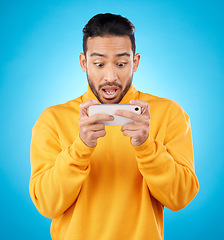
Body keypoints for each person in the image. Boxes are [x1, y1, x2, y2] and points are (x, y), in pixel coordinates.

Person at [29, 13, 199, 240]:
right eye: (99, 64)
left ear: (135, 62)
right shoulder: (52, 119)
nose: (110, 76)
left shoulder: (168, 113)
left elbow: (180, 198)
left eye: (121, 63)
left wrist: (147, 147)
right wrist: (80, 149)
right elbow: (47, 205)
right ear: (83, 63)